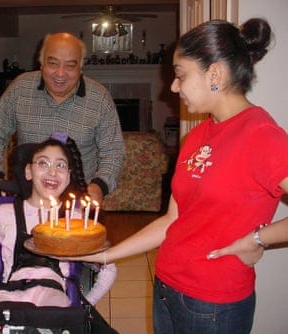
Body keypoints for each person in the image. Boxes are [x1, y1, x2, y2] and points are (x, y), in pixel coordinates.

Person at [69, 18, 288, 334]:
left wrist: (257, 239)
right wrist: (104, 255)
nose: (173, 86)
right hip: (167, 287)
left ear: (214, 74)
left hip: (213, 304)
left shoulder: (262, 135)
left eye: (180, 75)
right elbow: (172, 220)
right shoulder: (197, 137)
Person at [0, 134, 116, 307]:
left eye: (60, 165)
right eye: (43, 163)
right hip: (9, 292)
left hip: (51, 296)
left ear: (68, 177)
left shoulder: (75, 220)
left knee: (51, 311)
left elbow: (109, 268)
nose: (52, 172)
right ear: (28, 172)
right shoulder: (4, 213)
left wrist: (85, 307)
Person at [0, 32, 125, 205]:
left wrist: (99, 185)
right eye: (53, 63)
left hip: (77, 201)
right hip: (26, 199)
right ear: (41, 64)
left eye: (70, 66)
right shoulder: (19, 89)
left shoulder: (99, 98)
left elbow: (113, 151)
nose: (60, 73)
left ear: (80, 68)